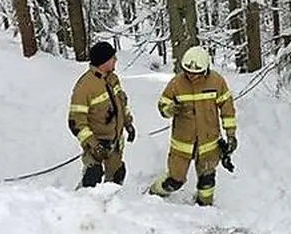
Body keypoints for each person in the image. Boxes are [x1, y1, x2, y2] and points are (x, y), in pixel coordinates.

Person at [149, 46, 236, 206]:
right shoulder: (176, 83)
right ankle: (154, 193)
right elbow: (163, 104)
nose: (191, 76)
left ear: (205, 70)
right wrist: (170, 109)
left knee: (207, 182)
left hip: (209, 143)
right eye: (188, 72)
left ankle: (204, 207)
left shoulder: (217, 82)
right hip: (182, 142)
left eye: (195, 74)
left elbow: (228, 109)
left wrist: (231, 134)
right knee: (174, 181)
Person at [68, 41, 135, 188]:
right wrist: (94, 145)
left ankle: (111, 207)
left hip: (115, 142)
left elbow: (121, 104)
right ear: (103, 61)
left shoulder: (112, 79)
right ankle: (81, 204)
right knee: (93, 177)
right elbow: (75, 122)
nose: (116, 60)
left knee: (118, 175)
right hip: (96, 145)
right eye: (113, 58)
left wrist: (128, 124)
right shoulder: (85, 86)